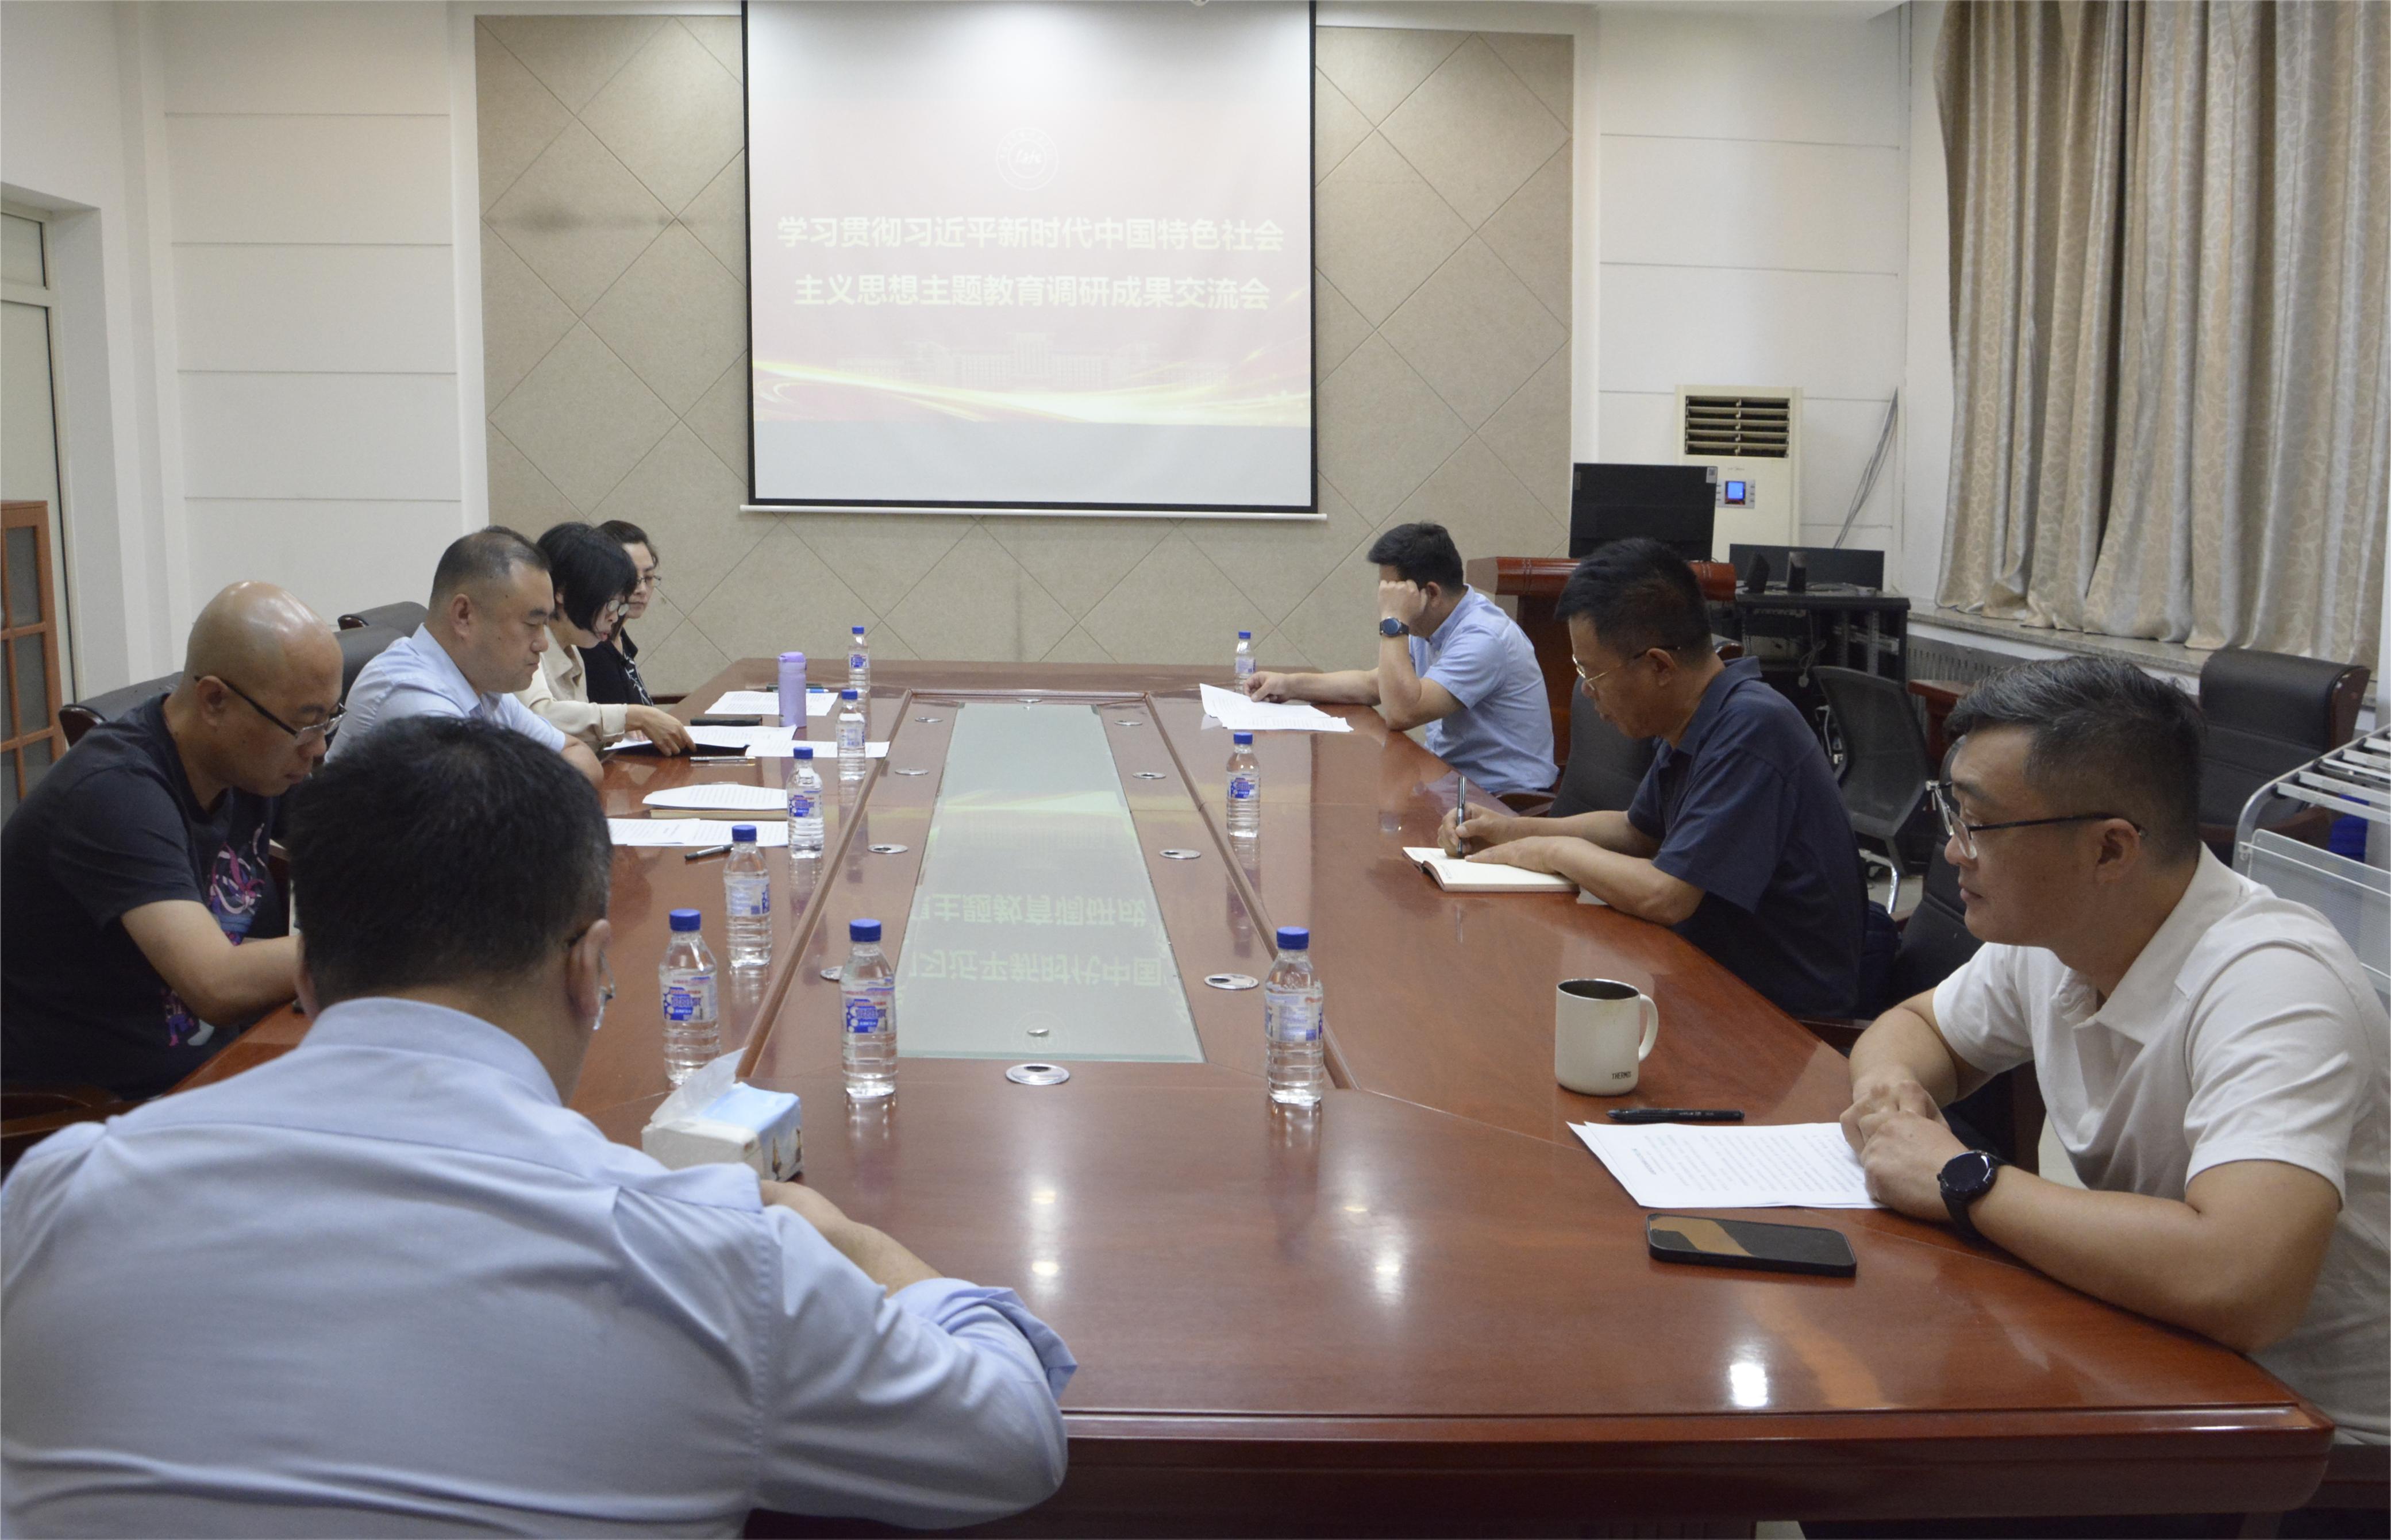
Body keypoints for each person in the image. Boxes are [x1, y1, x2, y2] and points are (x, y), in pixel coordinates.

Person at [1, 717, 1076, 1533]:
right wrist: (841, 1236)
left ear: (309, 971)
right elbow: (1013, 1437)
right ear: (590, 968)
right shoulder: (712, 1258)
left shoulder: (59, 1193)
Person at [1839, 658, 2386, 1449]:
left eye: (1977, 824)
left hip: (2314, 1443)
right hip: (2164, 1358)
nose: (1952, 851)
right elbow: (1917, 1027)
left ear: (2109, 850)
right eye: (1951, 812)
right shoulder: (2059, 933)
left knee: (1882, 1453)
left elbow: (2244, 1282)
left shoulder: (2274, 983)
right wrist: (1892, 1096)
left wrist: (1963, 1179)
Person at [1441, 538, 1866, 1016]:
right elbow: (1636, 831)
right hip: (1702, 974)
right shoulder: (1697, 714)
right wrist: (1510, 830)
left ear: (1659, 666)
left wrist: (1550, 851)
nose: (1587, 691)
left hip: (1778, 1016)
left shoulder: (1752, 729)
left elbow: (1666, 895)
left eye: (1592, 674)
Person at [1, 583, 338, 1099]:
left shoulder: (255, 763)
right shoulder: (115, 793)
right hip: (97, 1107)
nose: (318, 750)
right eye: (305, 725)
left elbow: (362, 849)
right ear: (215, 701)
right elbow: (216, 984)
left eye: (329, 721)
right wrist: (377, 943)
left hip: (218, 1062)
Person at [1245, 522, 1555, 800]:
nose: (1386, 603)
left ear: (1431, 593)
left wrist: (1394, 619)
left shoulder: (1484, 637)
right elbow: (1374, 685)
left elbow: (1401, 713)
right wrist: (1290, 685)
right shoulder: (1434, 622)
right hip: (1453, 782)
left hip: (1502, 799)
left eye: (1395, 595)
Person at [333, 526, 604, 788]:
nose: (543, 644)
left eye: (545, 625)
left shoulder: (485, 685)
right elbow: (485, 807)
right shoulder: (410, 698)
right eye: (532, 624)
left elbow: (578, 753)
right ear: (464, 615)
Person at [518, 522, 691, 754]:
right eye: (610, 604)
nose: (614, 617)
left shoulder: (574, 650)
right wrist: (631, 717)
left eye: (619, 606)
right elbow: (538, 719)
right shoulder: (525, 646)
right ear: (562, 592)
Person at [586, 518, 660, 706]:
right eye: (630, 577)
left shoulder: (620, 636)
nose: (641, 589)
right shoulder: (592, 645)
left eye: (648, 578)